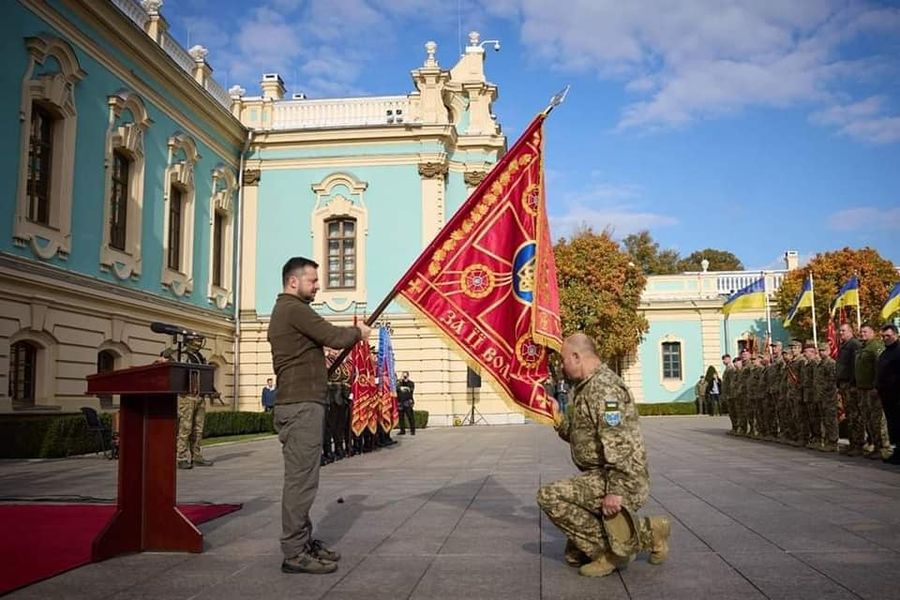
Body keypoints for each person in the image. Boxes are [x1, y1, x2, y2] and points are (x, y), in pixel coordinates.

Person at [267, 256, 371, 575]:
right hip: (300, 407)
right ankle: (294, 551)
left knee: (304, 478)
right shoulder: (293, 308)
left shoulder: (291, 311)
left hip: (302, 403)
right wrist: (358, 331)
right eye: (312, 280)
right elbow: (335, 337)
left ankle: (303, 540)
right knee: (301, 481)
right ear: (293, 281)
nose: (317, 285)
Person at [536, 333, 670, 578]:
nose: (561, 367)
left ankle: (611, 553)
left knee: (549, 496)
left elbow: (618, 442)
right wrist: (556, 417)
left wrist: (615, 492)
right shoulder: (587, 386)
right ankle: (650, 532)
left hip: (622, 479)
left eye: (564, 360)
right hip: (601, 474)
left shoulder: (604, 388)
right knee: (573, 555)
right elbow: (580, 435)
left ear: (577, 357)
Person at [160, 337, 214, 470]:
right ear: (189, 341)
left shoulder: (199, 356)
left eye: (200, 341)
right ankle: (181, 457)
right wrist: (173, 349)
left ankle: (196, 456)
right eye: (196, 341)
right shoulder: (181, 354)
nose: (199, 344)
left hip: (200, 396)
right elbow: (165, 355)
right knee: (185, 428)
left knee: (198, 429)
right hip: (187, 397)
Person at [855, 324, 890, 459]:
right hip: (862, 389)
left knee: (877, 420)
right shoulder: (862, 348)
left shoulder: (876, 347)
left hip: (873, 389)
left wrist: (877, 385)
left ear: (872, 333)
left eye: (865, 332)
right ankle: (874, 445)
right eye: (861, 332)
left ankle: (883, 448)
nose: (862, 334)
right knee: (867, 419)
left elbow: (879, 367)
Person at [877, 324, 900, 464]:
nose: (885, 338)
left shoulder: (898, 351)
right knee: (893, 424)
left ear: (896, 335)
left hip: (897, 395)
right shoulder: (885, 352)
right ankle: (897, 449)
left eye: (888, 336)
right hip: (887, 395)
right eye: (883, 336)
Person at [396, 371, 416, 435]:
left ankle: (412, 430)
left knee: (410, 417)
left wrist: (406, 383)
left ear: (408, 376)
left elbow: (411, 390)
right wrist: (400, 381)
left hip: (407, 402)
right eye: (403, 375)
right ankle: (402, 430)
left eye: (405, 376)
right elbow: (397, 389)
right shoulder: (399, 383)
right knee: (401, 418)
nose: (404, 377)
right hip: (400, 402)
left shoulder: (411, 383)